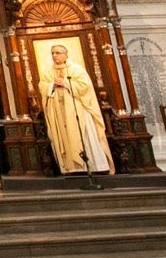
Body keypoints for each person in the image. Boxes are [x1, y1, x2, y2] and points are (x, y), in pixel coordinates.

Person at [38, 45, 114, 176]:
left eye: (58, 53)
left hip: (78, 111)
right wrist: (52, 85)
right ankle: (72, 168)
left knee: (84, 136)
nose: (55, 55)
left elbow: (85, 87)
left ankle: (94, 166)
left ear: (66, 55)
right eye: (52, 53)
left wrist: (66, 83)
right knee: (63, 137)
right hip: (59, 112)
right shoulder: (48, 71)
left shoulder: (76, 69)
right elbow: (42, 86)